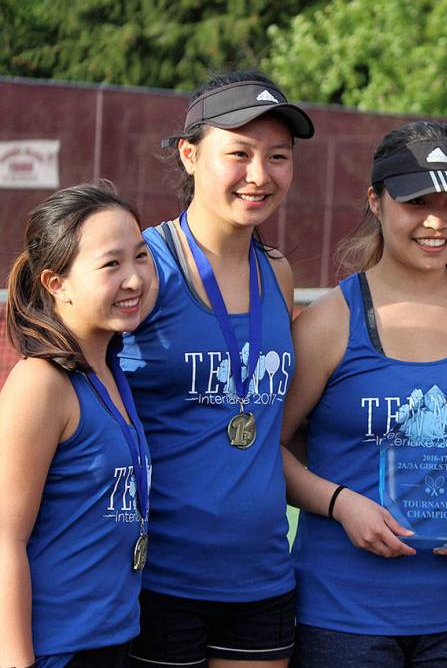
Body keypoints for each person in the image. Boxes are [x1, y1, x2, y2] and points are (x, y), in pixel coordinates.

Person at [281, 120, 447, 666]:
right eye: (416, 202)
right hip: (342, 612)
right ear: (376, 201)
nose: (437, 221)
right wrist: (341, 504)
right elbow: (267, 450)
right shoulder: (329, 322)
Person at [117, 70, 314, 666]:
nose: (260, 175)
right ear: (190, 154)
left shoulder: (276, 272)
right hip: (155, 579)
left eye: (277, 156)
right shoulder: (144, 268)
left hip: (261, 578)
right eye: (239, 153)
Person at [0, 182, 154, 667]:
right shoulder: (41, 383)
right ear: (55, 283)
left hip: (114, 639)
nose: (134, 279)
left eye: (141, 256)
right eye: (111, 265)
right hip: (58, 651)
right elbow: (4, 541)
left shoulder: (110, 369)